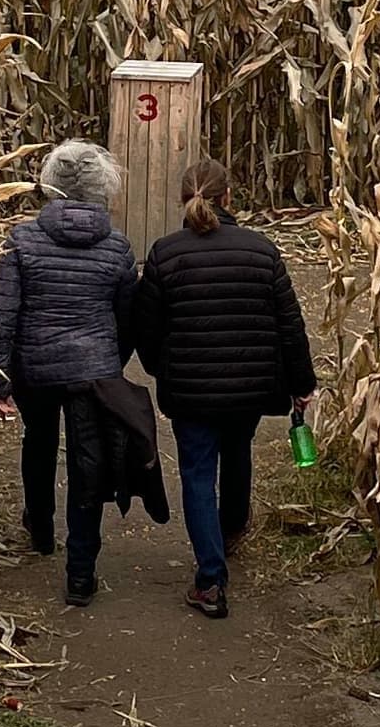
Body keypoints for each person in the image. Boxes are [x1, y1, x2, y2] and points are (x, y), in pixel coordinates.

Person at [131, 154, 315, 619]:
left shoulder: (164, 253)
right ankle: (231, 530)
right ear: (229, 197)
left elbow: (146, 330)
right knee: (237, 453)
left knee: (196, 472)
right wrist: (302, 383)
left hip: (190, 390)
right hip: (250, 388)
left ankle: (210, 580)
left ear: (183, 200)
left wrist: (164, 370)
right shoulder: (261, 250)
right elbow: (288, 325)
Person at [0, 139, 140, 606]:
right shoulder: (116, 247)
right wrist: (111, 360)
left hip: (35, 367)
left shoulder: (22, 240)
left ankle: (41, 528)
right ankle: (81, 572)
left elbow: (2, 314)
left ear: (50, 186)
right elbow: (127, 316)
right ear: (102, 189)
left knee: (39, 442)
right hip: (92, 372)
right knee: (89, 462)